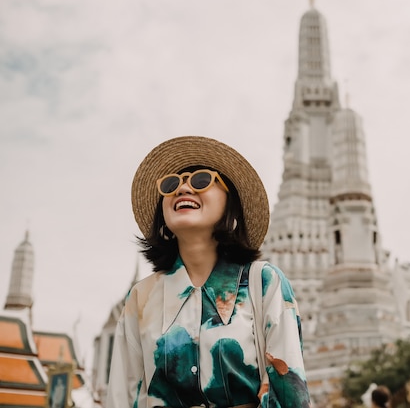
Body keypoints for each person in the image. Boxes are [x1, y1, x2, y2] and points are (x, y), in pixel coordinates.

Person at [106, 136, 311, 408]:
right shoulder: (141, 299)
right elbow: (122, 397)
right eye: (171, 185)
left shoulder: (263, 284)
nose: (183, 188)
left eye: (201, 180)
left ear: (230, 204)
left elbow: (289, 396)